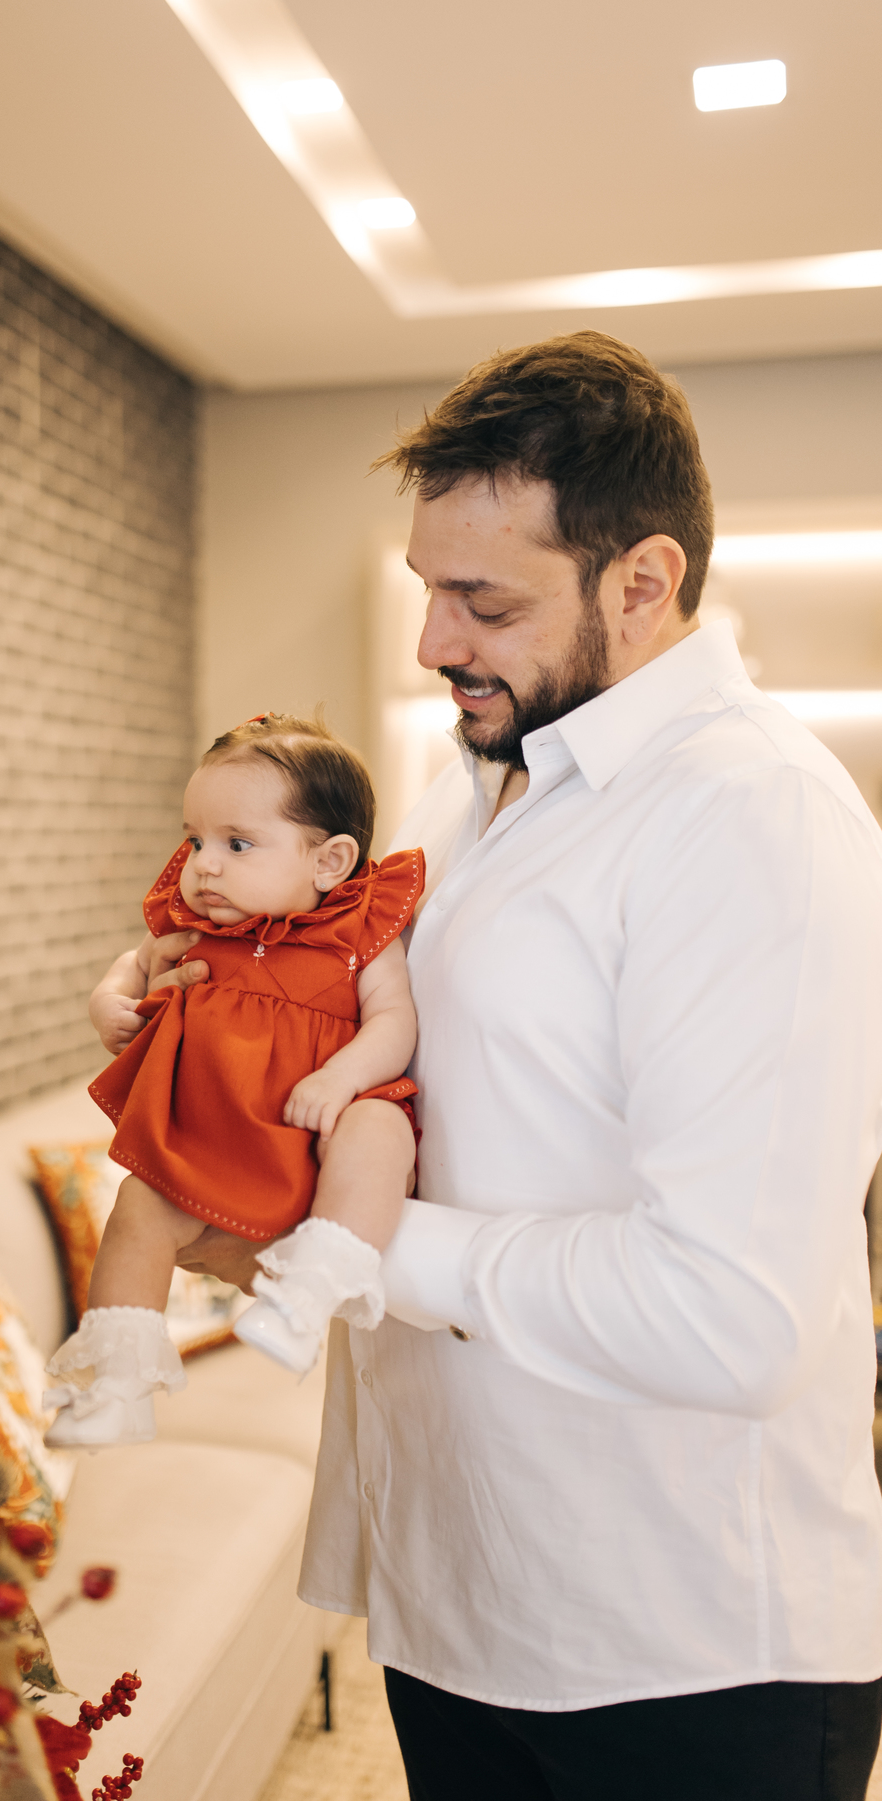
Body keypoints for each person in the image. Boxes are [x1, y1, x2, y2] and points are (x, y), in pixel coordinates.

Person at [177, 332, 882, 1799]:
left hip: (683, 1651)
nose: (432, 642)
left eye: (485, 603)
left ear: (644, 581)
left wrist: (352, 1244)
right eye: (429, 587)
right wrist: (195, 1022)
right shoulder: (471, 787)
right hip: (463, 1599)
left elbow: (731, 1317)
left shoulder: (756, 818)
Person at [43, 713, 424, 1448]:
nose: (204, 866)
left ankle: (307, 1295)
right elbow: (133, 962)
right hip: (219, 1144)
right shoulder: (199, 927)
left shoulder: (359, 933)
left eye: (236, 844)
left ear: (330, 861)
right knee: (139, 1205)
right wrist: (108, 1000)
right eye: (195, 840)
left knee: (380, 1127)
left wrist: (342, 1077)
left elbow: (394, 1021)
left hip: (319, 1138)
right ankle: (118, 1384)